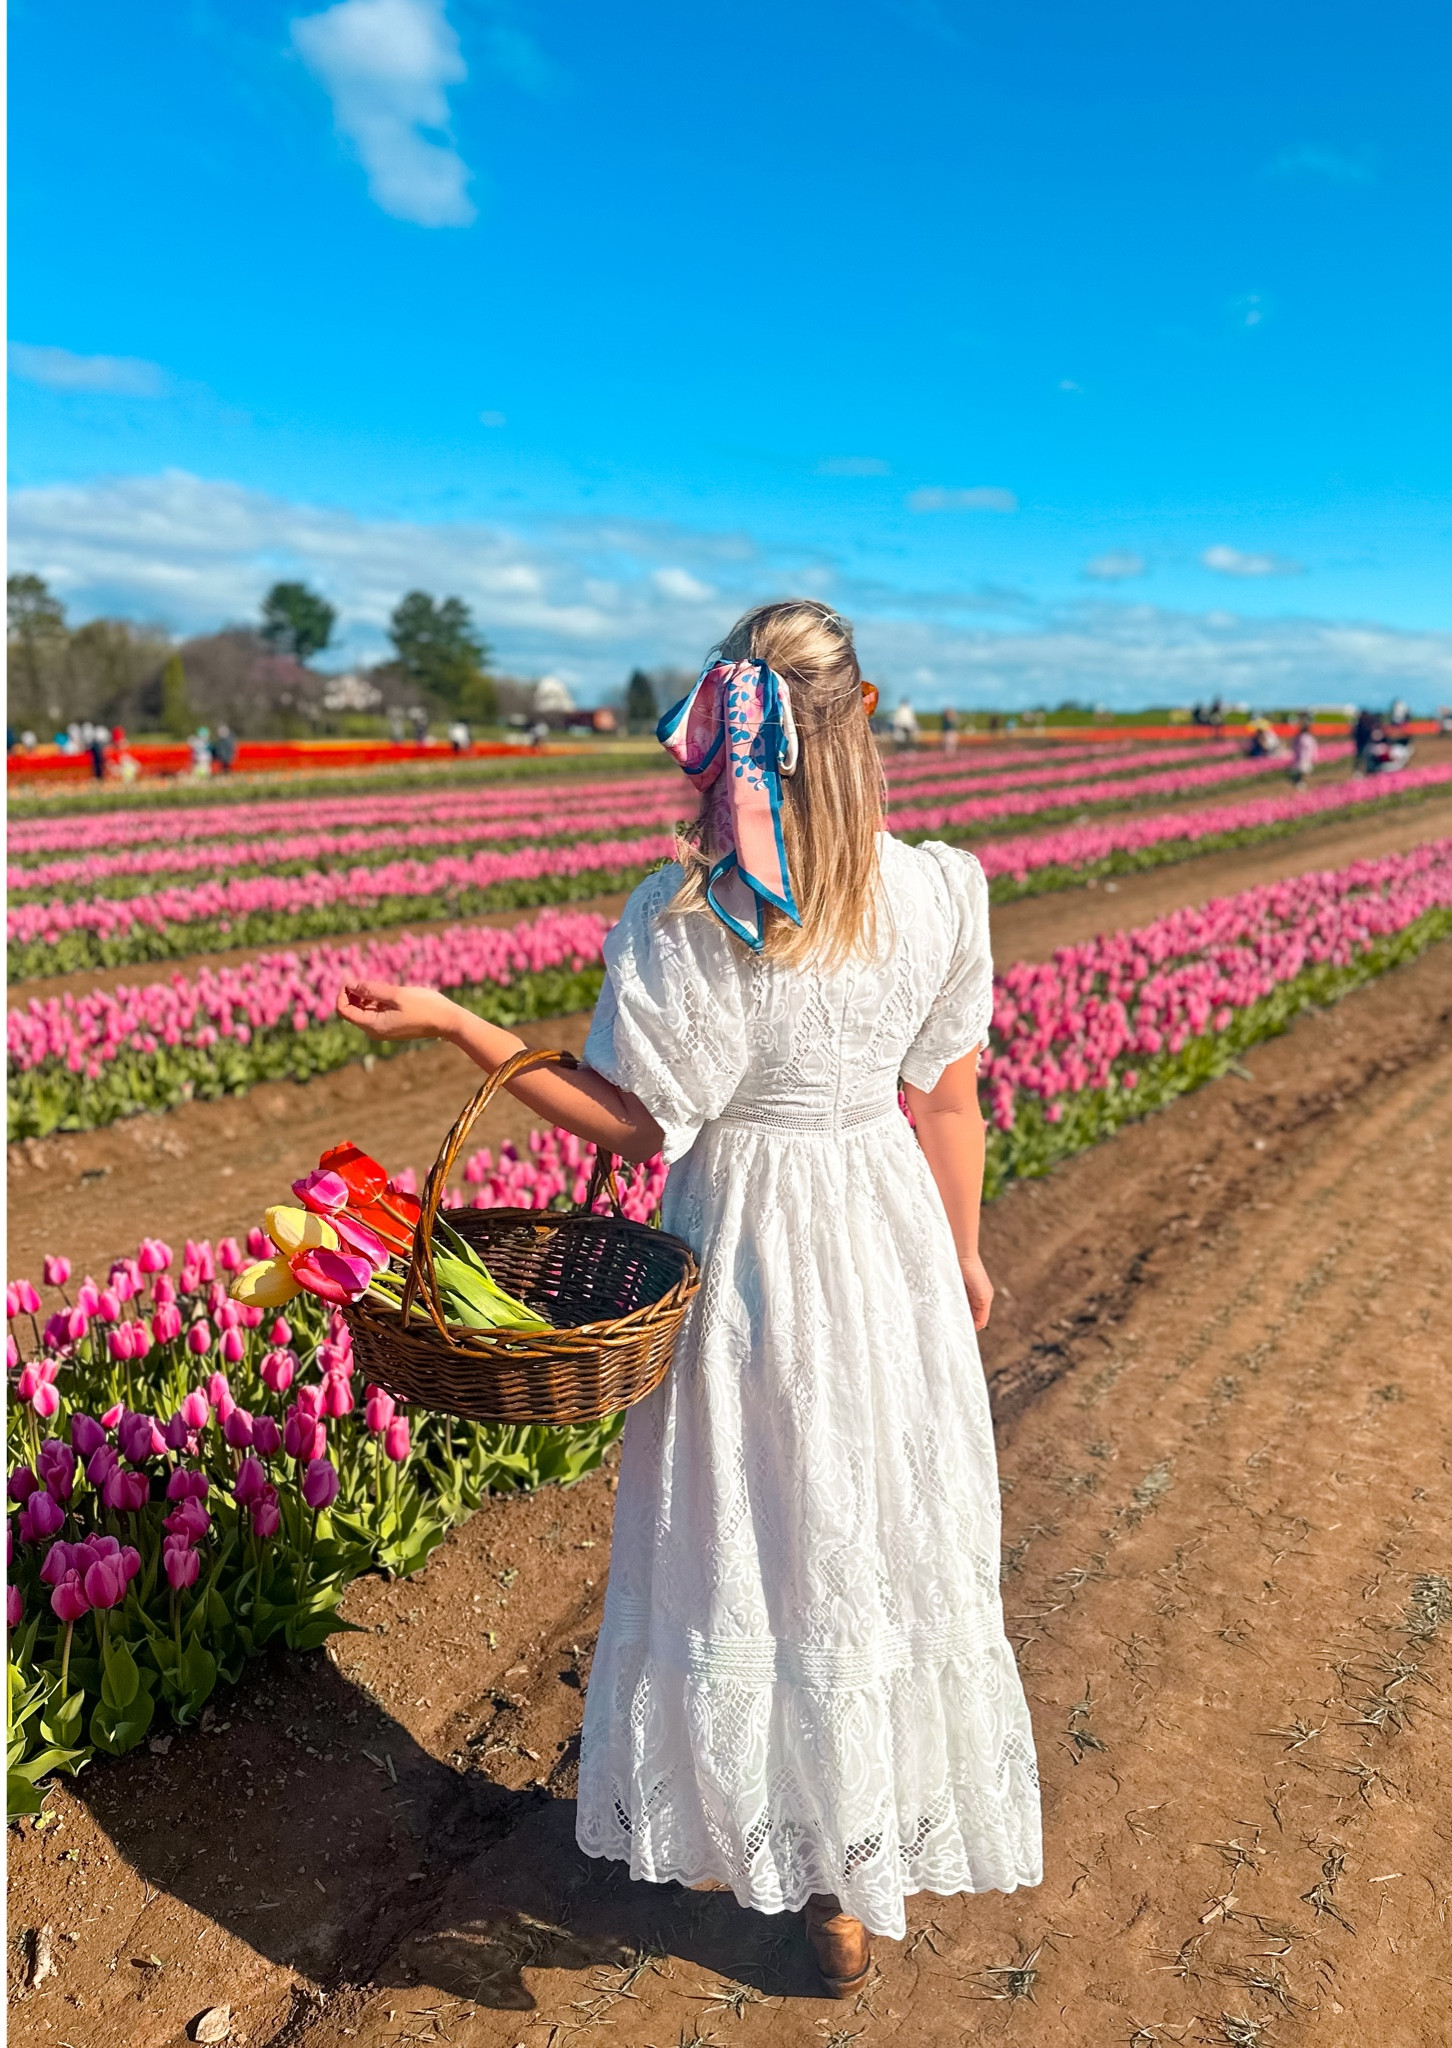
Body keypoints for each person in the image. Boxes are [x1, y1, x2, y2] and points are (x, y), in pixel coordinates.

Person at [336, 599, 1042, 1995]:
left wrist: (466, 1031)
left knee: (756, 1530)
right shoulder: (938, 892)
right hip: (886, 1232)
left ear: (722, 732)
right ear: (871, 713)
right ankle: (847, 1883)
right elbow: (949, 1092)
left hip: (751, 1250)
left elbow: (633, 1124)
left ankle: (774, 1834)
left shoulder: (692, 918)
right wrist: (958, 1250)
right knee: (871, 1531)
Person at [1289, 712, 1318, 786]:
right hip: (1301, 755)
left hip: (1304, 755)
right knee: (1301, 769)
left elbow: (1311, 747)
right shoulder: (1302, 737)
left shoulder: (1305, 737)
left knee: (1304, 770)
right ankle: (1300, 782)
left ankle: (1302, 782)